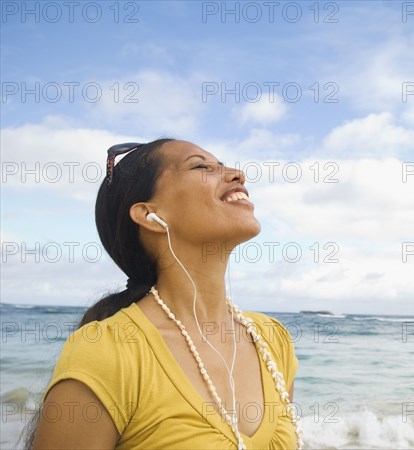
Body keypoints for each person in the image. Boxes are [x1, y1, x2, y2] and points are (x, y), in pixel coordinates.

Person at [24, 139, 303, 449]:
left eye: (224, 164)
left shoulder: (272, 341)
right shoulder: (109, 351)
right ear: (148, 215)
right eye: (201, 166)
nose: (237, 174)